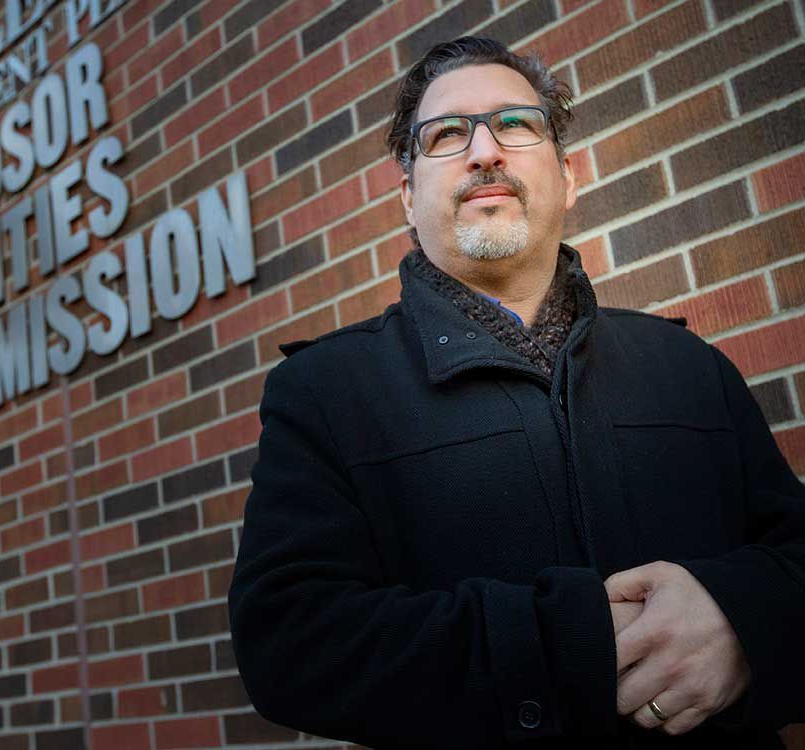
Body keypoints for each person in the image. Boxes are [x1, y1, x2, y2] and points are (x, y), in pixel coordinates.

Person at [228, 36, 805, 749]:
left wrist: (742, 624)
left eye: (515, 124)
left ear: (567, 175)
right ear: (408, 197)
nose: (484, 152)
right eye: (445, 134)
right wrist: (568, 644)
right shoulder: (323, 392)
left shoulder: (691, 366)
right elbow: (289, 645)